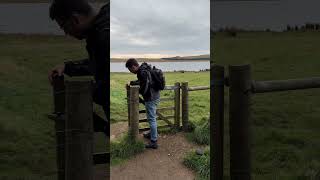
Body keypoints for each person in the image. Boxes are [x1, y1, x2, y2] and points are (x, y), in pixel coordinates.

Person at [47, 0, 109, 136]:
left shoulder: (104, 36)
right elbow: (100, 64)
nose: (66, 33)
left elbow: (106, 88)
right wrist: (68, 67)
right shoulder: (102, 26)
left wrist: (79, 95)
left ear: (75, 19)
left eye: (64, 27)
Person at [126, 58, 161, 149]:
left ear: (134, 66)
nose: (130, 71)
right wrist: (133, 83)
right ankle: (152, 133)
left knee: (151, 119)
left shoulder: (142, 72)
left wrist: (137, 92)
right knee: (152, 117)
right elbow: (143, 82)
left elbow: (144, 87)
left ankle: (154, 142)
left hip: (151, 98)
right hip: (156, 96)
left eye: (130, 69)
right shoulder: (145, 69)